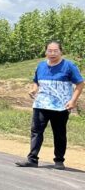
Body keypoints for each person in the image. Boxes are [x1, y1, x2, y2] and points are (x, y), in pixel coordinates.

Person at [16, 40, 83, 170]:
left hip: (61, 106)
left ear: (61, 51)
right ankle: (32, 159)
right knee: (36, 131)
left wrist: (73, 101)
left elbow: (80, 83)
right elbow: (36, 81)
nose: (52, 53)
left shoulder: (69, 66)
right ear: (45, 52)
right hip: (41, 104)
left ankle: (59, 160)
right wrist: (34, 89)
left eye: (55, 51)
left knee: (59, 133)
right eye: (49, 51)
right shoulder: (41, 66)